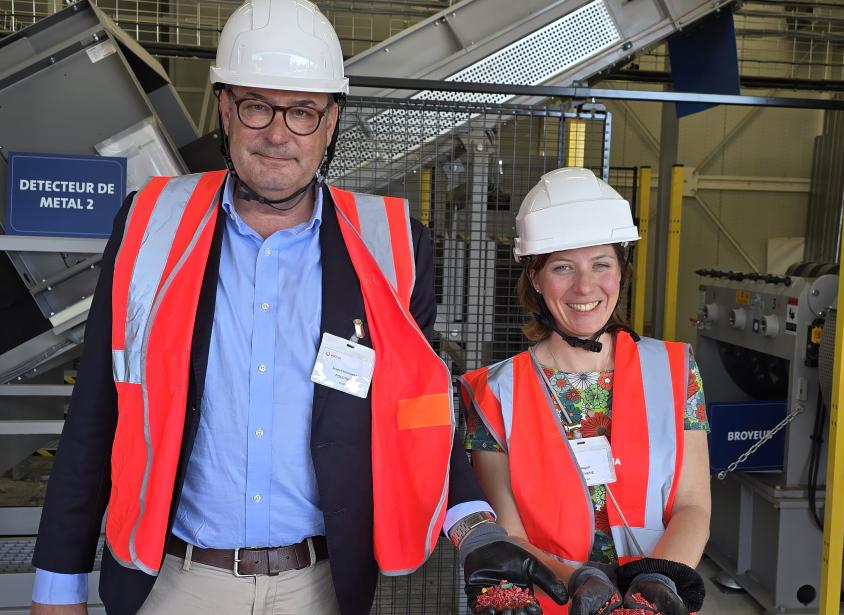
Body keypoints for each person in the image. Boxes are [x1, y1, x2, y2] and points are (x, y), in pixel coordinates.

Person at [29, 1, 568, 614]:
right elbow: (97, 408)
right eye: (258, 105)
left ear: (331, 121)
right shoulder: (151, 225)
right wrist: (57, 583)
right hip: (174, 583)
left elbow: (417, 414)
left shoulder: (395, 246)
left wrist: (478, 531)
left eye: (303, 111)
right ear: (226, 110)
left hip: (320, 587)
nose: (278, 133)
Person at [458, 167, 712, 615]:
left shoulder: (674, 370)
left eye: (601, 264)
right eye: (562, 267)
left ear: (621, 271)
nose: (585, 286)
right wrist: (576, 581)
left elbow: (693, 506)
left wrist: (654, 586)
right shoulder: (493, 393)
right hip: (550, 604)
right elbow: (510, 535)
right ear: (534, 278)